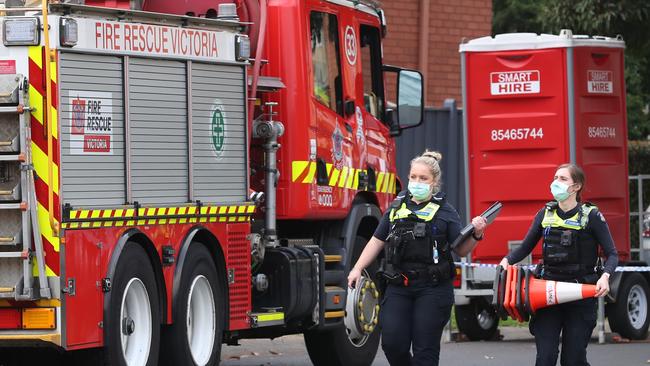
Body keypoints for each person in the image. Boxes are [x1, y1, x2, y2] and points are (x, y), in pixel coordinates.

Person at [347, 150, 489, 366]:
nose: (417, 182)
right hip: (398, 285)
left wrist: (477, 234)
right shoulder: (396, 207)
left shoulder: (445, 212)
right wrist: (357, 268)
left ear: (434, 182)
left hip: (432, 288)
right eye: (413, 177)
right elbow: (377, 241)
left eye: (423, 178)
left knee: (425, 350)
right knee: (393, 344)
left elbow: (460, 250)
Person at [499, 163, 618, 366]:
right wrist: (506, 261)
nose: (556, 183)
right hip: (547, 295)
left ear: (576, 187)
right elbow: (525, 247)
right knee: (545, 358)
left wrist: (605, 276)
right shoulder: (545, 214)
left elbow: (612, 254)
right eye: (555, 178)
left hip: (580, 296)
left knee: (573, 360)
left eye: (563, 179)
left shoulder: (591, 216)